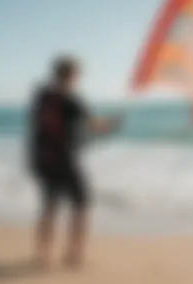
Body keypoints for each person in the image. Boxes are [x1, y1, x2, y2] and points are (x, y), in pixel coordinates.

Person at [27, 55, 122, 268]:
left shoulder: (42, 95)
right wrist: (114, 123)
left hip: (43, 160)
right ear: (72, 75)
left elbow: (36, 127)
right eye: (78, 73)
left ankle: (41, 255)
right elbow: (95, 126)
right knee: (82, 204)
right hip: (65, 161)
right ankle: (74, 255)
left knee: (49, 207)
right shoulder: (73, 100)